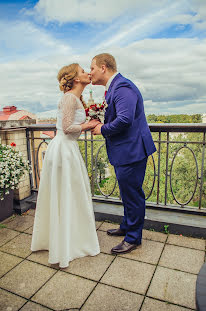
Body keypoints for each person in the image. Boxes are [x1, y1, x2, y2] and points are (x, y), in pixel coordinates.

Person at [31, 63, 100, 268]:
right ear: (76, 79)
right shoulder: (70, 97)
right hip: (64, 150)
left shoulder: (75, 98)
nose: (87, 73)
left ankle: (67, 239)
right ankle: (67, 243)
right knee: (68, 193)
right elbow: (67, 127)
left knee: (68, 194)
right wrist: (90, 124)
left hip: (66, 148)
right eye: (82, 71)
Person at [90, 53, 156, 255]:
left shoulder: (122, 87)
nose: (90, 72)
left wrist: (102, 128)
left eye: (92, 68)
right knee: (127, 193)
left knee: (133, 195)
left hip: (132, 151)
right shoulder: (114, 87)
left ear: (103, 67)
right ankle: (127, 226)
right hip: (126, 151)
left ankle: (133, 238)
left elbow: (125, 120)